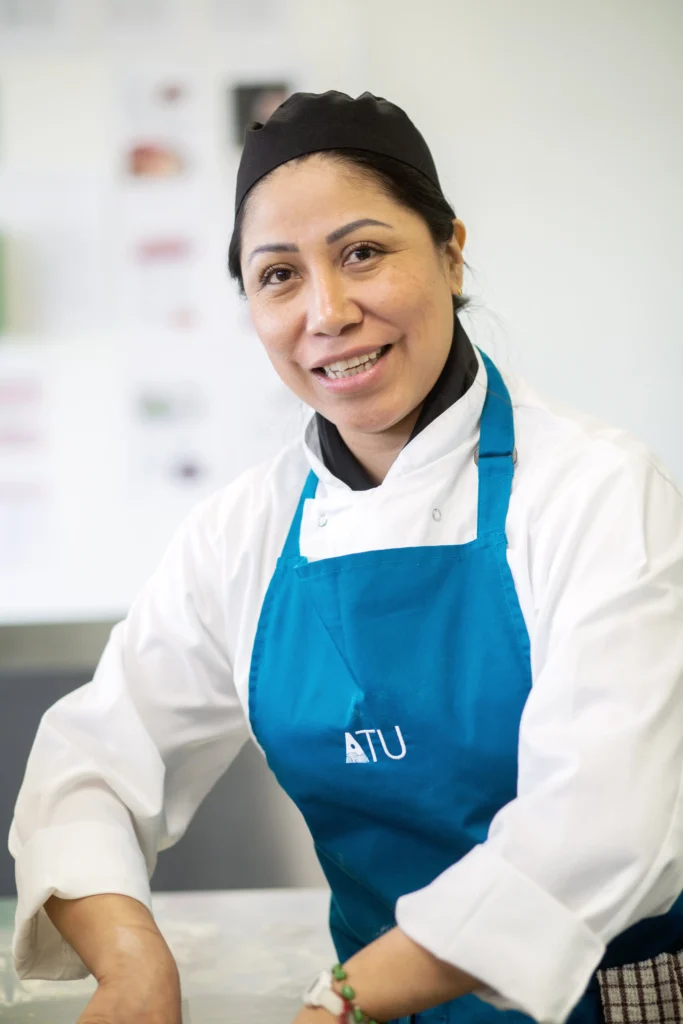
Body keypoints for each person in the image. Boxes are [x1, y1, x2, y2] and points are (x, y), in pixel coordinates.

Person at [8, 91, 683, 1024]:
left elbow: (604, 827)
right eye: (277, 275)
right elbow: (92, 765)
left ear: (449, 253)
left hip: (601, 1002)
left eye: (362, 252)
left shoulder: (597, 491)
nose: (327, 311)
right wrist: (132, 971)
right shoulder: (241, 532)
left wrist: (344, 999)